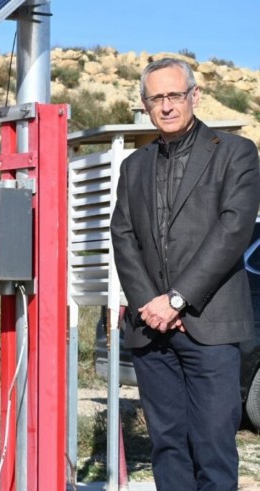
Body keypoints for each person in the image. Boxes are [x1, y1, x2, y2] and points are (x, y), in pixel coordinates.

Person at [111, 57, 260, 489]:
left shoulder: (236, 153)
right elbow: (123, 237)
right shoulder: (134, 166)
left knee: (213, 448)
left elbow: (233, 230)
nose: (167, 105)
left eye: (175, 94)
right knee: (168, 446)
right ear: (145, 104)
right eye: (156, 98)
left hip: (209, 326)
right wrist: (151, 305)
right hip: (151, 331)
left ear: (194, 95)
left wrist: (176, 299)